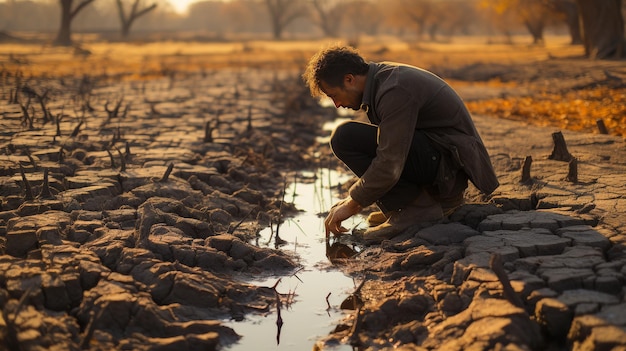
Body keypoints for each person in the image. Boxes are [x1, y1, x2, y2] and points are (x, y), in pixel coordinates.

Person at [302, 45, 499, 243]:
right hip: (438, 156)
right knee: (348, 137)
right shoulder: (381, 79)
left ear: (349, 79)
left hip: (449, 166)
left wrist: (353, 204)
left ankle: (416, 210)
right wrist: (353, 200)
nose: (336, 104)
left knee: (346, 137)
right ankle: (409, 206)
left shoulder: (394, 89)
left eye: (334, 95)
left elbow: (390, 162)